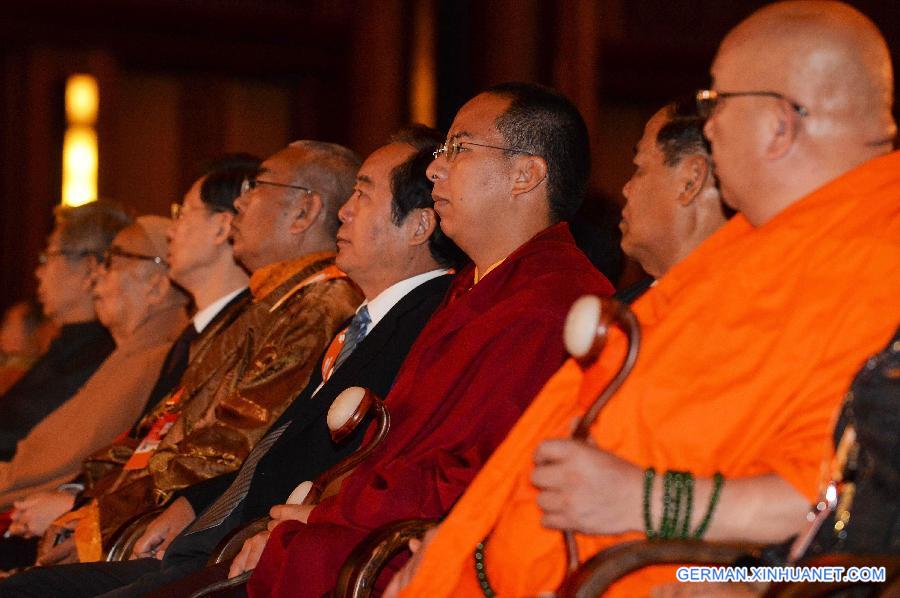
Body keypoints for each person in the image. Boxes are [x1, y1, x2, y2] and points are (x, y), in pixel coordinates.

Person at [390, 2, 900, 597]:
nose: (706, 128)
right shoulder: (752, 247)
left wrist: (655, 505)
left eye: (715, 104)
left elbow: (858, 543)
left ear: (780, 122)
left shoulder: (873, 259)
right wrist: (466, 543)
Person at [7, 125, 468, 598]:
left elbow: (247, 441)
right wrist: (183, 504)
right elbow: (245, 446)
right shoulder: (334, 315)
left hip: (258, 551)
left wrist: (97, 509)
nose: (344, 212)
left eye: (362, 196)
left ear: (418, 225)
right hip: (212, 535)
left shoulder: (347, 309)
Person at [243, 82, 614, 598]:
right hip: (375, 526)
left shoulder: (555, 304)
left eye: (458, 149)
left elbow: (477, 481)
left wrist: (326, 512)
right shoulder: (473, 286)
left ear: (525, 175)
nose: (435, 168)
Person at [0, 157, 260, 562]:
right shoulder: (177, 345)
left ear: (157, 285)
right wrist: (78, 497)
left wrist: (80, 505)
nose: (97, 276)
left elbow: (189, 455)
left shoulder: (175, 348)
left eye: (114, 259)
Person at [0, 202, 129, 460]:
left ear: (89, 269)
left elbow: (28, 435)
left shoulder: (101, 356)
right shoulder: (69, 346)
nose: (38, 272)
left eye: (48, 256)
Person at [616, 98, 728, 303]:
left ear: (690, 181)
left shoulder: (747, 306)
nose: (626, 189)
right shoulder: (621, 310)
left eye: (640, 168)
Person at [0, 301, 54, 395]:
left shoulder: (15, 375)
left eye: (9, 323)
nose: (2, 330)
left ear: (34, 333)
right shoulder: (10, 363)